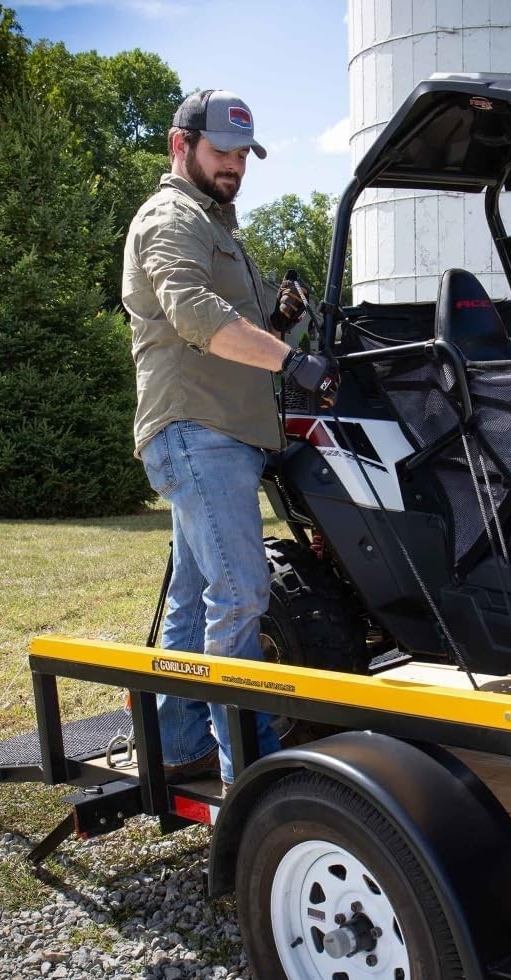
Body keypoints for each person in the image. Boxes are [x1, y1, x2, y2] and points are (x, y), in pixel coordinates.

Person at [122, 90, 337, 791]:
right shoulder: (171, 217)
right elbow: (191, 311)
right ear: (178, 144)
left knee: (194, 596)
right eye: (222, 152)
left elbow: (234, 327)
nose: (235, 166)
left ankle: (177, 741)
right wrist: (291, 360)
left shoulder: (217, 222)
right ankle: (249, 769)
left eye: (243, 155)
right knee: (243, 590)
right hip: (197, 429)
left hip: (221, 430)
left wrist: (277, 321)